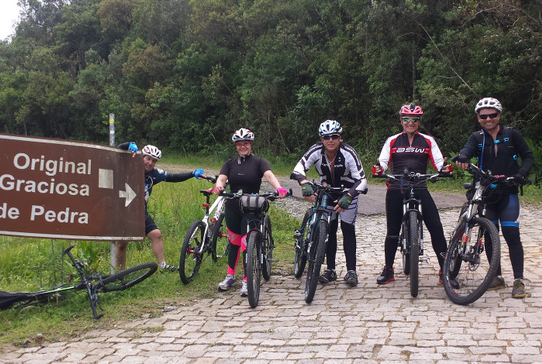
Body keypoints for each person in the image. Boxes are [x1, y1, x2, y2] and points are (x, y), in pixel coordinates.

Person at [453, 97, 534, 298]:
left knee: (512, 236)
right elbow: (466, 150)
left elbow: (528, 156)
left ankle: (518, 280)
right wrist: (463, 157)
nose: (488, 119)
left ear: (499, 115)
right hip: (487, 193)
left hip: (508, 192)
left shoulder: (512, 134)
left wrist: (521, 174)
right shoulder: (476, 137)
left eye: (492, 115)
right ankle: (495, 277)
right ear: (478, 118)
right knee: (490, 234)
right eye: (484, 116)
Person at [372, 104, 456, 288]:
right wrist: (379, 169)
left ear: (419, 122)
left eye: (415, 119)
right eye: (407, 119)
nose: (411, 123)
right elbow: (384, 161)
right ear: (401, 121)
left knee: (436, 226)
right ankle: (388, 270)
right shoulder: (392, 140)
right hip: (396, 186)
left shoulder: (427, 141)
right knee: (392, 231)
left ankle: (444, 270)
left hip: (419, 185)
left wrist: (444, 169)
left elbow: (439, 162)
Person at [291, 120, 368, 286]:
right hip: (327, 192)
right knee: (329, 229)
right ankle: (330, 269)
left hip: (348, 193)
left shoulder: (348, 153)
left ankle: (351, 271)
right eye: (326, 137)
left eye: (334, 136)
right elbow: (298, 169)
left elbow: (362, 180)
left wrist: (349, 195)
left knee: (348, 229)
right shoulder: (316, 151)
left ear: (340, 138)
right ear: (321, 139)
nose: (330, 140)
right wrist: (304, 183)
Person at [213, 128, 288, 296]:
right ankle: (230, 276)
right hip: (233, 206)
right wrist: (219, 186)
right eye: (239, 144)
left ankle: (247, 281)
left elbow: (269, 175)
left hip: (252, 207)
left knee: (247, 243)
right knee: (234, 242)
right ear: (236, 146)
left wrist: (279, 188)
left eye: (245, 143)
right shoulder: (229, 163)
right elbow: (222, 178)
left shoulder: (259, 162)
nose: (242, 146)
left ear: (251, 144)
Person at [117, 142, 204, 271]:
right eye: (148, 159)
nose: (150, 163)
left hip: (140, 211)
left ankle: (163, 266)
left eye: (154, 161)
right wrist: (127, 145)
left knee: (156, 234)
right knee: (122, 243)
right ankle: (120, 273)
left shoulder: (154, 174)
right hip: (122, 210)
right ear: (142, 157)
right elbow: (116, 152)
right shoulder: (130, 166)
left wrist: (192, 173)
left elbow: (173, 177)